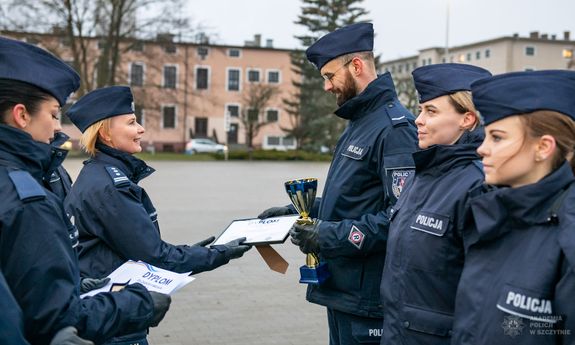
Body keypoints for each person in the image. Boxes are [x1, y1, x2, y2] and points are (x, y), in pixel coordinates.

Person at [0, 36, 171, 344]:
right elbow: (54, 318)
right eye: (53, 114)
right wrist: (139, 305)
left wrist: (77, 282)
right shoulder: (26, 199)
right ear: (22, 115)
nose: (57, 128)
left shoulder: (37, 178)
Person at [259, 23, 418, 344]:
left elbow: (402, 217)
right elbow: (357, 200)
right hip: (345, 289)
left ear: (356, 66)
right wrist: (299, 212)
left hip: (369, 297)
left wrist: (327, 234)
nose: (327, 87)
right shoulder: (361, 121)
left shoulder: (393, 128)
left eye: (330, 76)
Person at [64, 85, 252, 344]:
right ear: (106, 134)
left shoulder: (99, 175)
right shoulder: (109, 188)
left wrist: (189, 254)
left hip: (110, 309)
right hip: (115, 322)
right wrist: (217, 254)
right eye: (131, 123)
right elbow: (154, 255)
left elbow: (134, 249)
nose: (141, 129)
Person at [452, 70, 575, 344]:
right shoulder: (494, 212)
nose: (481, 149)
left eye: (497, 137)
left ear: (543, 147)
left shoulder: (567, 236)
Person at [378, 63, 491, 345]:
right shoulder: (423, 174)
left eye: (431, 111)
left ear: (467, 119)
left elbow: (485, 294)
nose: (418, 119)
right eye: (421, 110)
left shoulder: (478, 186)